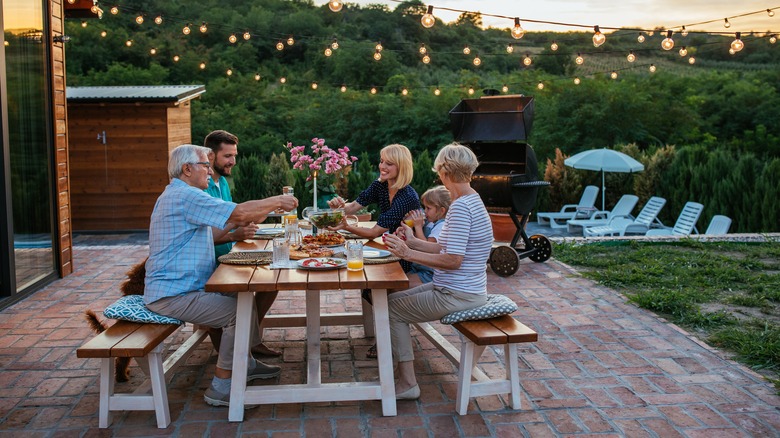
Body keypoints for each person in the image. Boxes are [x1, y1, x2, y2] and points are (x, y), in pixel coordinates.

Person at [144, 144, 298, 407]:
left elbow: (225, 225)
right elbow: (238, 212)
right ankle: (221, 386)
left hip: (187, 287)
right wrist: (275, 201)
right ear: (187, 169)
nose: (209, 170)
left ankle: (245, 363)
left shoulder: (182, 195)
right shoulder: (184, 196)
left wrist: (254, 217)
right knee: (239, 311)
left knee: (248, 292)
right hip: (173, 295)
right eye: (205, 164)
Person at [383, 143, 492, 400]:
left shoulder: (461, 207)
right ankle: (401, 375)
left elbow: (453, 260)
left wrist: (408, 254)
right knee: (388, 302)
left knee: (389, 310)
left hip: (457, 293)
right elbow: (443, 246)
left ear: (443, 171)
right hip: (460, 289)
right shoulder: (470, 200)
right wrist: (410, 241)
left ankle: (408, 383)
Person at [203, 130, 280, 358]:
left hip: (232, 254)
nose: (233, 161)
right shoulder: (202, 187)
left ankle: (250, 337)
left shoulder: (223, 183)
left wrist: (263, 212)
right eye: (227, 156)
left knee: (272, 279)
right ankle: (233, 348)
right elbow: (208, 235)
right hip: (214, 261)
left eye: (234, 155)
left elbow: (235, 218)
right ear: (210, 156)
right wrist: (235, 235)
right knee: (249, 287)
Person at [327, 143, 420, 245]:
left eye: (389, 164)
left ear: (401, 167)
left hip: (406, 252)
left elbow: (374, 233)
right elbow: (354, 206)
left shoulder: (407, 197)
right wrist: (337, 208)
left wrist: (346, 227)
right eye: (381, 161)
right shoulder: (380, 185)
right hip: (389, 244)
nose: (382, 166)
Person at [405, 185, 451, 284]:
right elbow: (416, 240)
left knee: (398, 286)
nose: (425, 211)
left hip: (429, 273)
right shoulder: (431, 222)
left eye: (428, 208)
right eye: (424, 207)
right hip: (419, 268)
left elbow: (426, 248)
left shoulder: (441, 226)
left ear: (442, 210)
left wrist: (418, 227)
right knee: (396, 282)